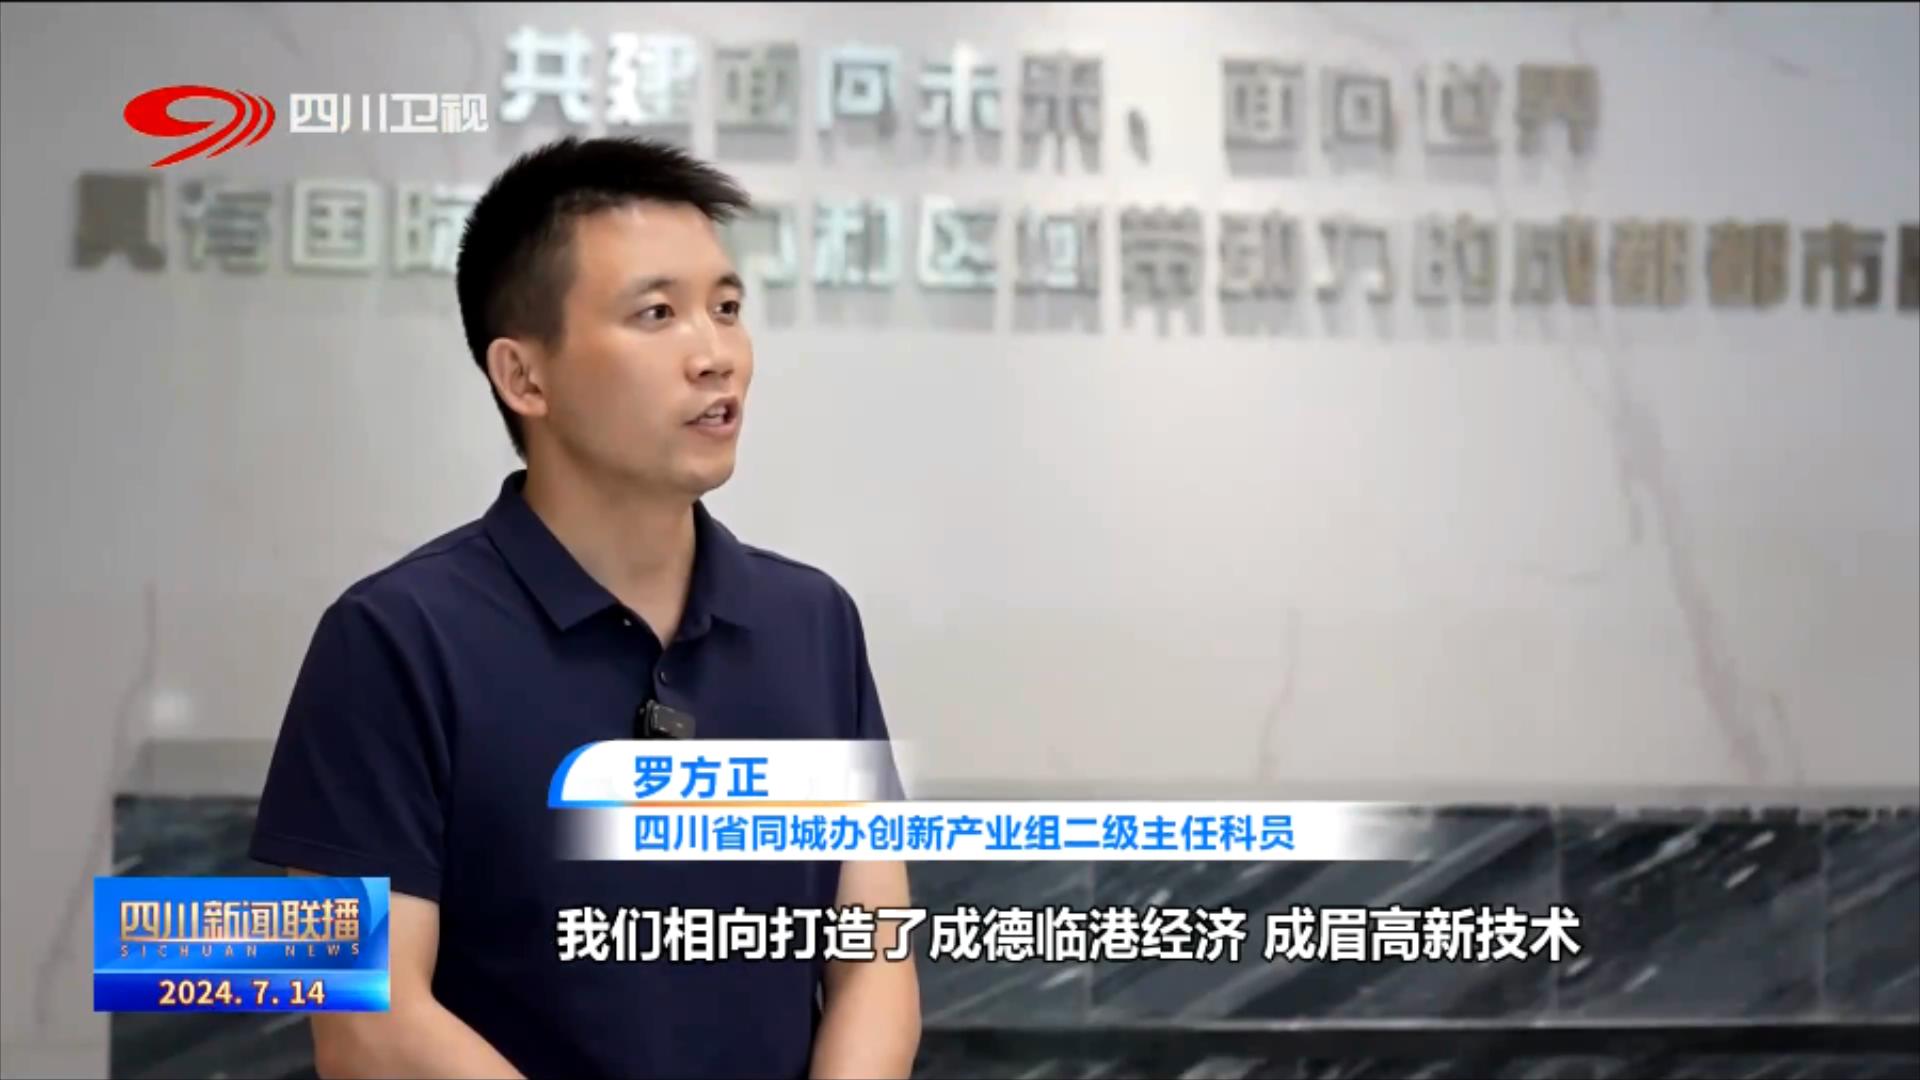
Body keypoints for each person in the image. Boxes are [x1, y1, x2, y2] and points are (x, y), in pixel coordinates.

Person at [249, 136, 920, 1080]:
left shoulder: (813, 624)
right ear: (524, 377)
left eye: (727, 309)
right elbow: (367, 1021)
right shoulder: (394, 638)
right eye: (658, 314)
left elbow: (875, 961)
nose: (715, 355)